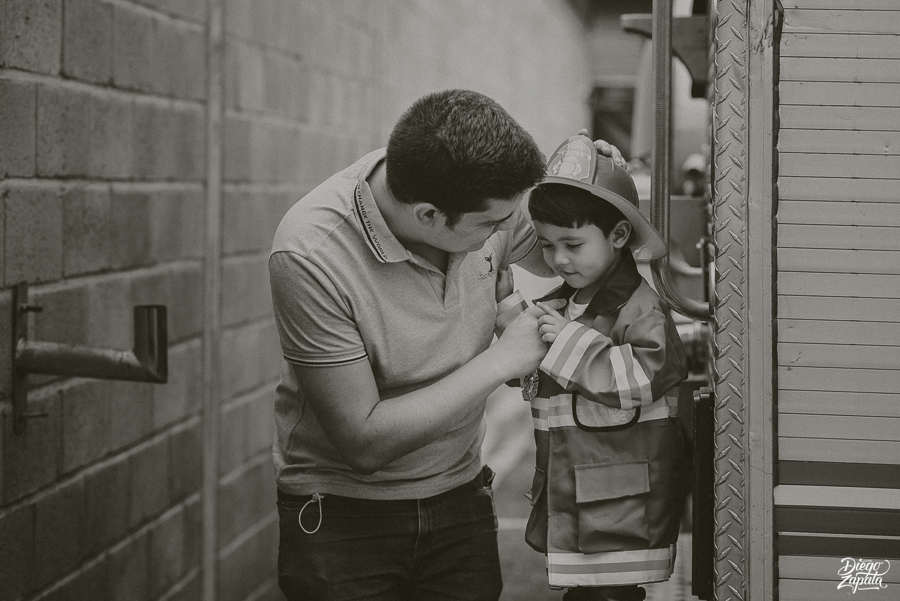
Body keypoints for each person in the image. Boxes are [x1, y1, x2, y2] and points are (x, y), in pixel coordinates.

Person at [268, 90, 622, 600]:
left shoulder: (476, 198)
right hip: (346, 518)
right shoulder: (311, 254)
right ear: (430, 216)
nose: (511, 232)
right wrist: (502, 360)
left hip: (460, 498)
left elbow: (588, 258)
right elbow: (363, 441)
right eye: (493, 225)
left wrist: (606, 196)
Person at [495, 135, 689, 601]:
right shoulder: (564, 302)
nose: (558, 259)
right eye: (546, 245)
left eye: (573, 244)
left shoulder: (641, 309)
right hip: (580, 494)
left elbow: (641, 376)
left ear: (619, 236)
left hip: (618, 508)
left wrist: (560, 337)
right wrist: (508, 312)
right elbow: (535, 367)